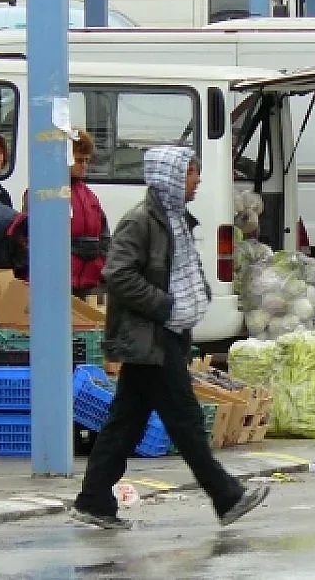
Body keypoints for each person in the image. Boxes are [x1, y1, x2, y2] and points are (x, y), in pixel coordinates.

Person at [72, 145, 269, 529]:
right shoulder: (142, 221)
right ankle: (226, 495)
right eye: (191, 174)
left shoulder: (174, 221)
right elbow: (118, 274)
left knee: (125, 424)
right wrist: (163, 306)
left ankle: (94, 499)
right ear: (171, 179)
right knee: (185, 420)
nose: (197, 181)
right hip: (151, 339)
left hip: (165, 338)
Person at [68, 130, 110, 299]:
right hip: (61, 281)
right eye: (79, 160)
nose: (84, 165)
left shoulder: (89, 196)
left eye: (86, 160)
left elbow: (104, 235)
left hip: (89, 282)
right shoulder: (46, 194)